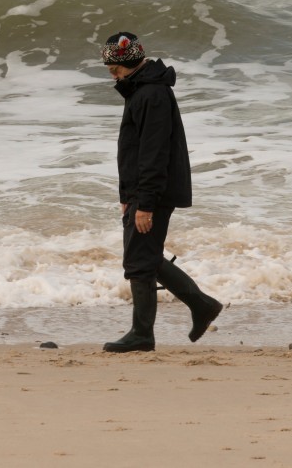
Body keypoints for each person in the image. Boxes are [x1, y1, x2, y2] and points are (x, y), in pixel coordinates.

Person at [99, 31, 223, 353]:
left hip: (152, 191)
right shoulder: (140, 90)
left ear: (128, 62)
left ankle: (143, 334)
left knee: (140, 260)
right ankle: (201, 305)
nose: (112, 74)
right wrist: (128, 196)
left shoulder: (151, 94)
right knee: (143, 258)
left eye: (115, 68)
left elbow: (153, 154)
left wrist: (146, 205)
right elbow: (134, 151)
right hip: (142, 190)